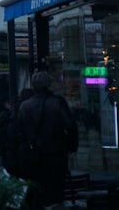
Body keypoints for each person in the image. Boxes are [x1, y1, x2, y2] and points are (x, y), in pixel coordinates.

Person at [15, 71, 79, 209]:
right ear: (48, 85)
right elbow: (71, 126)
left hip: (34, 156)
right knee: (55, 194)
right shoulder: (57, 102)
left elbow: (19, 133)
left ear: (33, 86)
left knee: (38, 193)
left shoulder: (25, 106)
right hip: (56, 154)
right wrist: (71, 147)